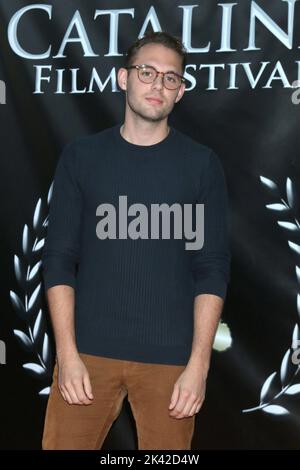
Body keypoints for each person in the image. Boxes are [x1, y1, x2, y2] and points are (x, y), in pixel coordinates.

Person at [41, 31, 231, 450]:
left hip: (171, 363)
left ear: (180, 92)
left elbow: (211, 268)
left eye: (170, 77)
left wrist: (198, 365)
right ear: (123, 78)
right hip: (87, 355)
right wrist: (67, 355)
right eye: (147, 72)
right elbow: (58, 260)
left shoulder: (201, 166)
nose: (157, 84)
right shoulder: (80, 158)